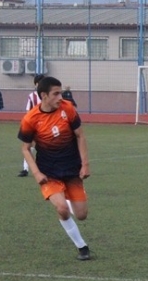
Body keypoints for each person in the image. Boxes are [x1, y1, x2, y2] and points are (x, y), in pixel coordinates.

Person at [17, 76, 93, 261]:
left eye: (61, 93)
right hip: (48, 172)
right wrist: (36, 172)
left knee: (81, 215)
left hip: (72, 168)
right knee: (61, 209)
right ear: (44, 95)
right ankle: (82, 247)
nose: (61, 97)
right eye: (56, 94)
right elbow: (25, 148)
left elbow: (80, 136)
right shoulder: (30, 119)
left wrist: (85, 164)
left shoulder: (68, 108)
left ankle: (66, 201)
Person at [18, 74, 45, 177]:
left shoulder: (47, 95)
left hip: (46, 125)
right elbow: (28, 111)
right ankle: (25, 169)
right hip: (34, 125)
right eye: (40, 82)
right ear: (36, 84)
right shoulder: (32, 96)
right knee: (28, 146)